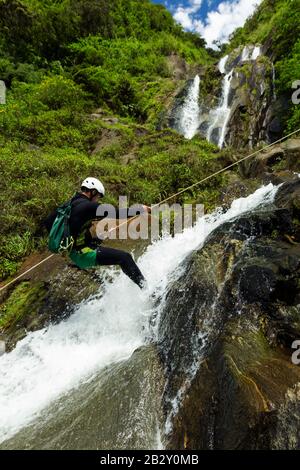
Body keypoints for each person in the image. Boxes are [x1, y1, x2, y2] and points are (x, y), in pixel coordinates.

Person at [43, 177, 150, 289]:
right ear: (92, 192)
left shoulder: (70, 204)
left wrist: (70, 240)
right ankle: (146, 289)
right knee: (125, 258)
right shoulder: (88, 206)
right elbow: (116, 213)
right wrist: (140, 209)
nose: (98, 199)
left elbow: (48, 222)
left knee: (98, 239)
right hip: (83, 254)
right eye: (98, 196)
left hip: (77, 251)